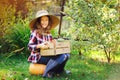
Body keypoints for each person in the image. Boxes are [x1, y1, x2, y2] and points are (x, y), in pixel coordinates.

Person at [27, 10, 70, 78]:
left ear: (48, 21)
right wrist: (40, 46)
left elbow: (50, 45)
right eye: (42, 20)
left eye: (46, 20)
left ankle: (60, 70)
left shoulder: (48, 33)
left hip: (48, 54)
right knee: (61, 56)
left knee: (66, 55)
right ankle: (47, 73)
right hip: (39, 57)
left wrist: (54, 43)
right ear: (39, 22)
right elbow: (29, 46)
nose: (44, 22)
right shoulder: (35, 32)